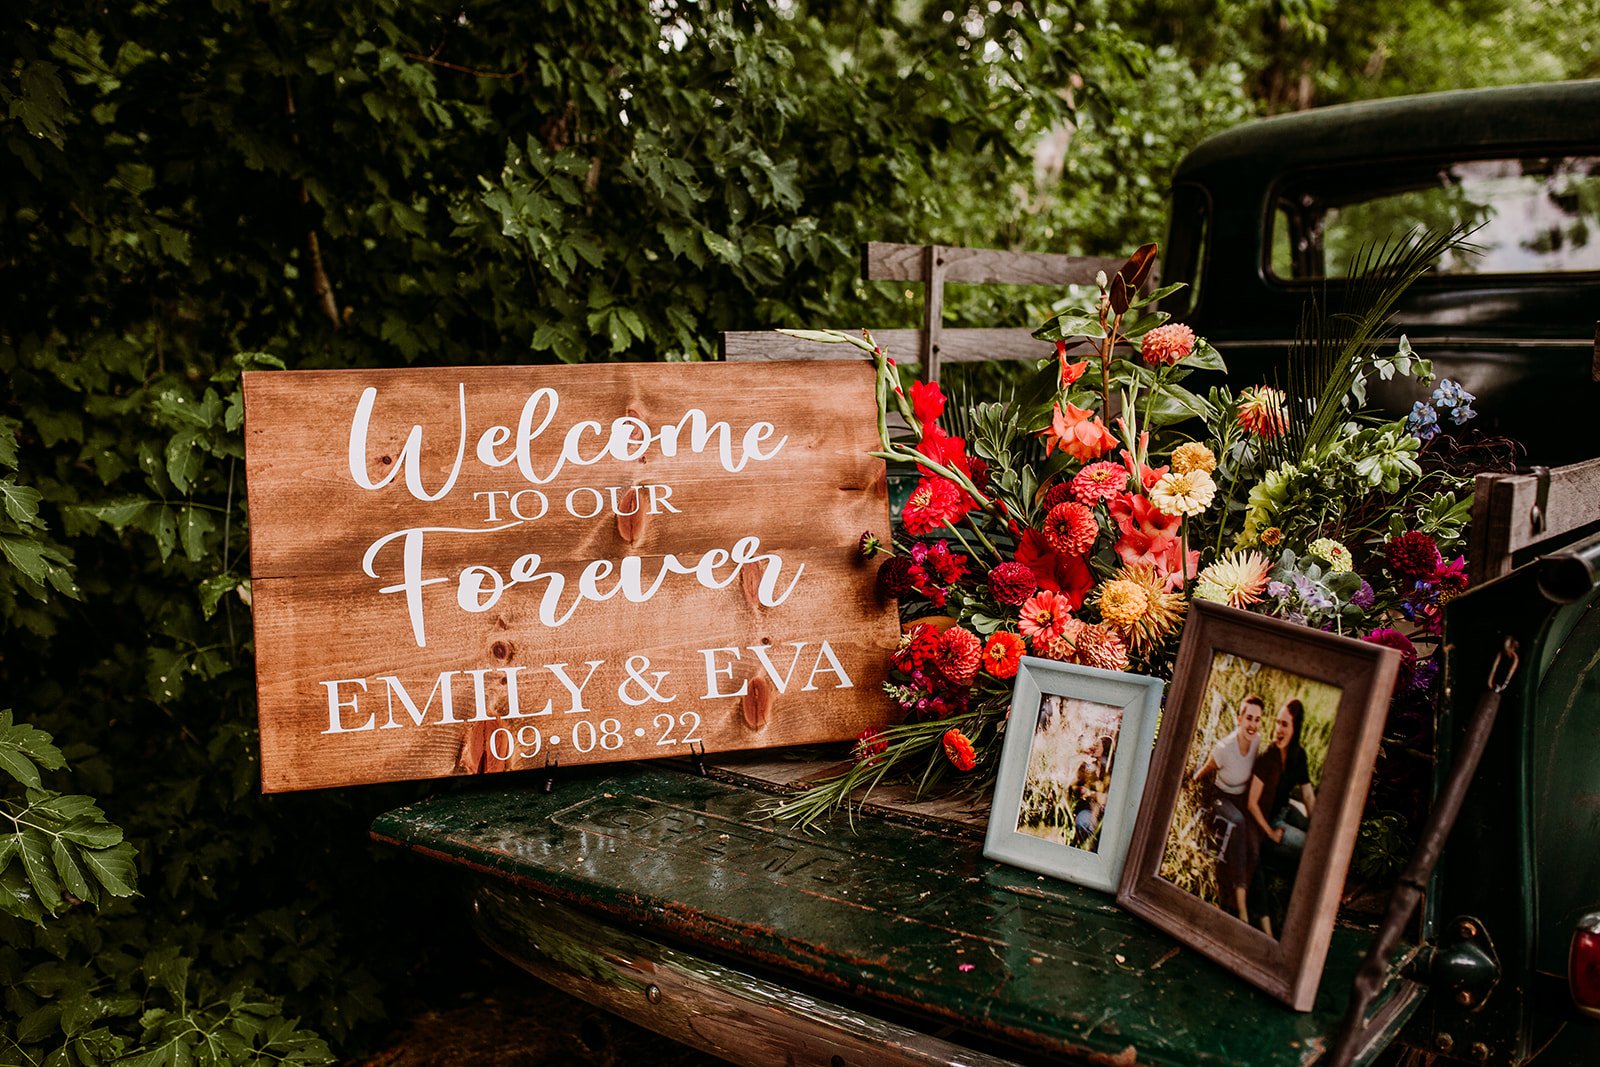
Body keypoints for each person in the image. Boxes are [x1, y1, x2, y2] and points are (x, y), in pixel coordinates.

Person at [1190, 695, 1264, 918]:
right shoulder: (1224, 748)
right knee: (1239, 822)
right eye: (1248, 717)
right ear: (1240, 718)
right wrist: (1192, 794)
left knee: (1255, 838)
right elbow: (1200, 775)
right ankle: (1240, 904)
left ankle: (1257, 904)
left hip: (1242, 799)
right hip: (1220, 798)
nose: (1252, 724)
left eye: (1257, 719)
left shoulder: (1257, 742)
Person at [1240, 702, 1297, 933]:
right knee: (1254, 857)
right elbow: (1252, 803)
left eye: (1258, 719)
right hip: (1255, 822)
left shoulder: (1279, 753)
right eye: (1278, 724)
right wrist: (1271, 832)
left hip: (1275, 814)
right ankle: (1265, 928)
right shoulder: (1266, 757)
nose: (1253, 725)